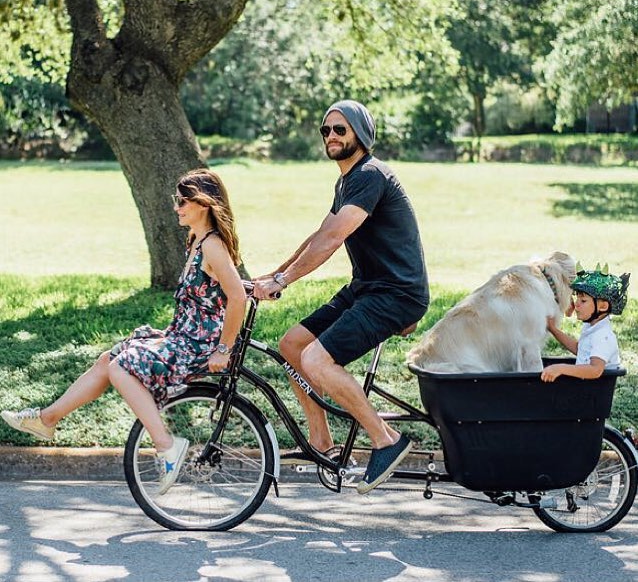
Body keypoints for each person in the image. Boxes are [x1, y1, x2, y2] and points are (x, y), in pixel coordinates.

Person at [1, 168, 246, 494]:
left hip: (199, 344)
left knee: (121, 368)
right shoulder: (197, 241)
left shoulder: (213, 245)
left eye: (183, 201)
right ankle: (46, 420)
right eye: (177, 200)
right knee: (107, 360)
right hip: (183, 336)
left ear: (203, 204)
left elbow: (236, 298)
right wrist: (256, 286)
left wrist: (223, 349)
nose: (177, 207)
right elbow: (222, 286)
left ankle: (166, 446)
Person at [253, 99, 429, 494]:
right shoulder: (348, 181)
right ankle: (323, 443)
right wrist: (270, 275)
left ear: (360, 134)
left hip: (395, 293)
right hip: (367, 287)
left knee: (316, 358)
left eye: (340, 129)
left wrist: (284, 280)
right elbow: (318, 234)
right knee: (292, 345)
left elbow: (333, 239)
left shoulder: (370, 175)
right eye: (325, 131)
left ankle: (386, 439)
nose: (331, 137)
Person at [541, 264, 630, 382]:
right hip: (585, 390)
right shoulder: (592, 327)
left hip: (594, 394)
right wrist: (553, 329)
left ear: (603, 306)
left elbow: (595, 370)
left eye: (583, 301)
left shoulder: (603, 336)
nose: (576, 304)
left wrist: (561, 368)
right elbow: (580, 349)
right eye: (577, 298)